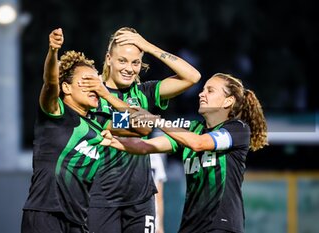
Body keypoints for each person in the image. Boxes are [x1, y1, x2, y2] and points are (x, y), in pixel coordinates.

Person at [106, 73, 268, 233]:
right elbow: (145, 147)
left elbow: (199, 143)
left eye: (210, 90)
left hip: (220, 224)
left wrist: (155, 119)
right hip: (190, 226)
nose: (201, 94)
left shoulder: (237, 129)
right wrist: (110, 140)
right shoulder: (193, 129)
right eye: (203, 89)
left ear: (228, 101)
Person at [81, 27, 201, 233]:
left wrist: (148, 47)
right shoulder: (90, 92)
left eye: (135, 62)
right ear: (108, 58)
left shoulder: (145, 91)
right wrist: (134, 122)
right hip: (99, 197)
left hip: (141, 200)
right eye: (122, 61)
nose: (129, 68)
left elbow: (192, 76)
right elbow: (137, 127)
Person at [21, 28, 113, 233]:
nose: (94, 87)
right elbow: (50, 82)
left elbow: (140, 125)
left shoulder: (100, 124)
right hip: (45, 214)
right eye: (86, 81)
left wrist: (109, 96)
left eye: (96, 82)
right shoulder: (55, 111)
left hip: (78, 221)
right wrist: (53, 51)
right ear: (67, 88)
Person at [149, 130, 167, 233]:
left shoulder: (155, 157)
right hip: (150, 216)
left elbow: (159, 197)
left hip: (148, 213)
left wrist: (160, 226)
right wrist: (159, 225)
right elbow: (159, 198)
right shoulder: (155, 156)